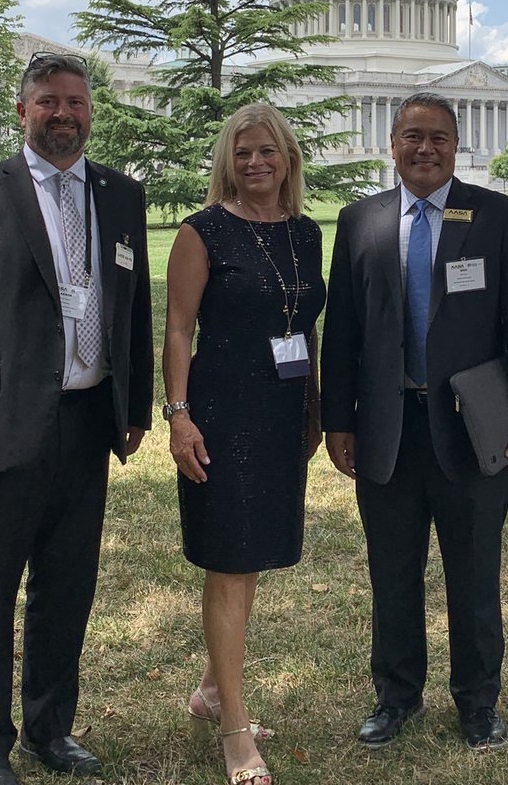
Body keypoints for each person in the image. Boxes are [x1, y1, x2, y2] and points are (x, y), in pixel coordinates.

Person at [0, 52, 153, 785]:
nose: (64, 115)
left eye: (76, 103)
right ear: (23, 111)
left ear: (90, 111)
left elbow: (132, 306)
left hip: (86, 426)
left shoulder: (120, 195)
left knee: (66, 588)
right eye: (48, 102)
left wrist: (132, 405)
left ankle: (50, 730)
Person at [320, 92, 508, 753]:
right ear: (391, 144)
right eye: (413, 137)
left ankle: (478, 703)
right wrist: (338, 419)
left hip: (473, 428)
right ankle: (396, 698)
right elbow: (341, 332)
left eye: (439, 139)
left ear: (457, 146)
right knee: (392, 574)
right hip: (388, 429)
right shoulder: (359, 220)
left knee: (475, 574)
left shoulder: (498, 216)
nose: (426, 150)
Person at [163, 103, 325, 785]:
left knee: (251, 556)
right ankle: (233, 728)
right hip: (222, 413)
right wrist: (178, 414)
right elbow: (177, 328)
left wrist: (314, 406)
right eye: (242, 152)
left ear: (287, 158)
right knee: (228, 564)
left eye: (267, 151)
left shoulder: (307, 233)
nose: (256, 162)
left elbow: (304, 325)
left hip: (284, 410)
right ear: (227, 162)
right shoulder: (202, 232)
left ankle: (208, 689)